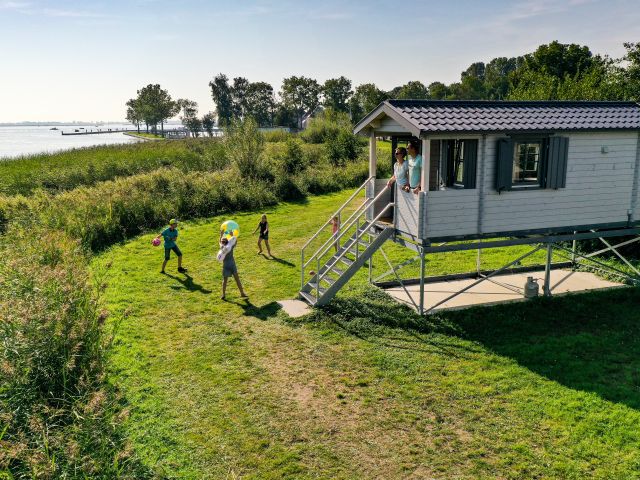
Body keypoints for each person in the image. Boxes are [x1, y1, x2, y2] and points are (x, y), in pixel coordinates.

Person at [219, 232, 247, 300]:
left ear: (222, 243)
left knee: (225, 281)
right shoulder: (230, 247)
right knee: (237, 279)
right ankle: (242, 293)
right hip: (232, 265)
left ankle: (223, 295)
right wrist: (232, 236)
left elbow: (219, 241)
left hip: (225, 266)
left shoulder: (221, 247)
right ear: (227, 242)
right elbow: (235, 242)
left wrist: (221, 234)